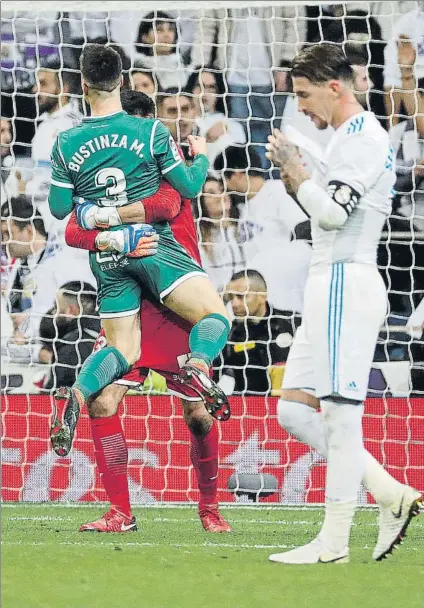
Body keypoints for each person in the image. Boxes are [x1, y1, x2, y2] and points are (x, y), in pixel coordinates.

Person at [265, 44, 422, 565]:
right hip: (325, 281)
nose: (302, 107)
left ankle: (333, 542)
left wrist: (296, 170)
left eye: (306, 95)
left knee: (338, 413)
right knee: (293, 410)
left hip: (343, 282)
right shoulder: (345, 139)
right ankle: (389, 494)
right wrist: (301, 177)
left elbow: (332, 216)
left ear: (336, 88)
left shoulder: (364, 137)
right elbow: (324, 213)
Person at [48, 45, 230, 459]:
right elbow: (175, 198)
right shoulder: (153, 139)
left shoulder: (67, 141)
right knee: (216, 317)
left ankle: (73, 392)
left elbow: (64, 217)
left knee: (124, 359)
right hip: (158, 260)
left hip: (111, 263)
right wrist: (201, 159)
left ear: (82, 84)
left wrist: (104, 222)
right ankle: (198, 366)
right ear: (123, 81)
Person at [191, 6, 306, 167]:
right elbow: (206, 26)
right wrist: (200, 66)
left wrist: (286, 64)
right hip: (233, 78)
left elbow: (295, 20)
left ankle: (272, 186)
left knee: (276, 139)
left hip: (273, 79)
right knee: (242, 140)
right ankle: (250, 184)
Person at [214, 145, 311, 313]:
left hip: (284, 287)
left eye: (224, 179)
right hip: (256, 291)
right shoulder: (243, 209)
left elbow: (303, 230)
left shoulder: (277, 191)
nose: (224, 187)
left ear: (237, 174)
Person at [1, 195, 94, 362]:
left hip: (62, 355)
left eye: (8, 233)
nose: (4, 242)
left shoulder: (65, 262)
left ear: (29, 231)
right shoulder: (19, 268)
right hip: (25, 353)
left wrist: (30, 326)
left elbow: (76, 314)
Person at [216, 270, 301, 395]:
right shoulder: (231, 334)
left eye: (241, 296)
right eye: (230, 298)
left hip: (289, 403)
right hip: (249, 408)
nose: (234, 304)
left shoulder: (292, 323)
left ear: (262, 296)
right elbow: (211, 375)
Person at [38, 281, 100, 389]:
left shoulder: (69, 350)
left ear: (72, 310)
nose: (53, 313)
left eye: (57, 307)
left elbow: (51, 399)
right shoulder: (112, 332)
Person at [185, 67, 246, 168]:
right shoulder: (182, 121)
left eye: (211, 87)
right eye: (199, 86)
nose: (205, 92)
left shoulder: (233, 126)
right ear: (190, 89)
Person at [196, 176, 246, 292]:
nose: (220, 195)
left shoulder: (245, 226)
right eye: (212, 193)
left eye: (222, 189)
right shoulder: (202, 242)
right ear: (202, 203)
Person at [134, 11, 190, 91]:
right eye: (159, 30)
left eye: (170, 29)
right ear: (144, 37)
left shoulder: (186, 66)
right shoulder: (138, 70)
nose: (166, 35)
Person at [156, 88, 196, 160]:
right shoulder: (154, 149)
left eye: (185, 109)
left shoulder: (210, 142)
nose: (180, 117)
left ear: (194, 111)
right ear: (160, 116)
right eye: (172, 111)